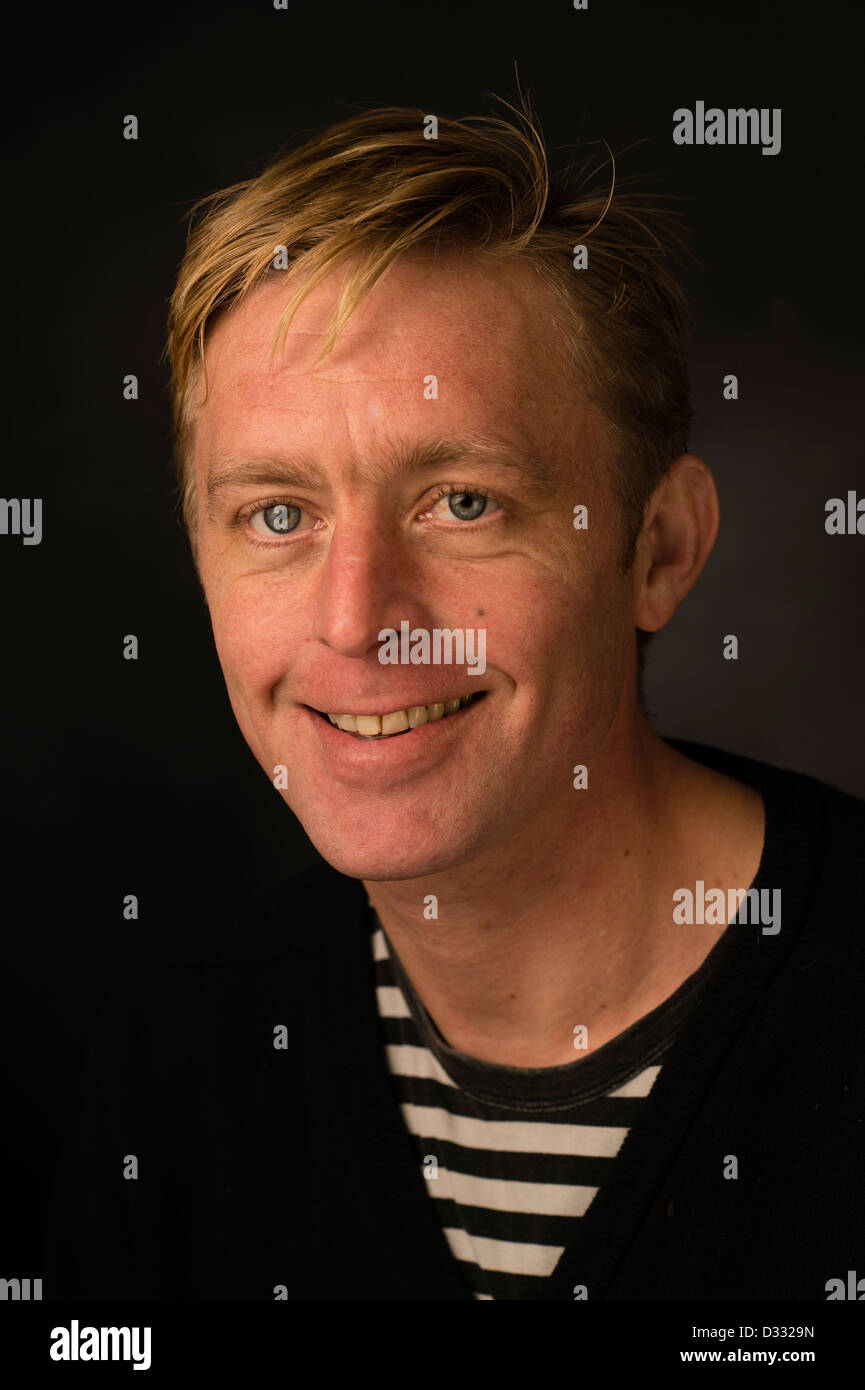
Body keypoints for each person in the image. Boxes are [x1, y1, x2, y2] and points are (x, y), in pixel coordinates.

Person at [44, 101, 864, 1301]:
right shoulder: (181, 1057)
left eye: (463, 502)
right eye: (279, 514)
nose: (356, 615)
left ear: (658, 549)